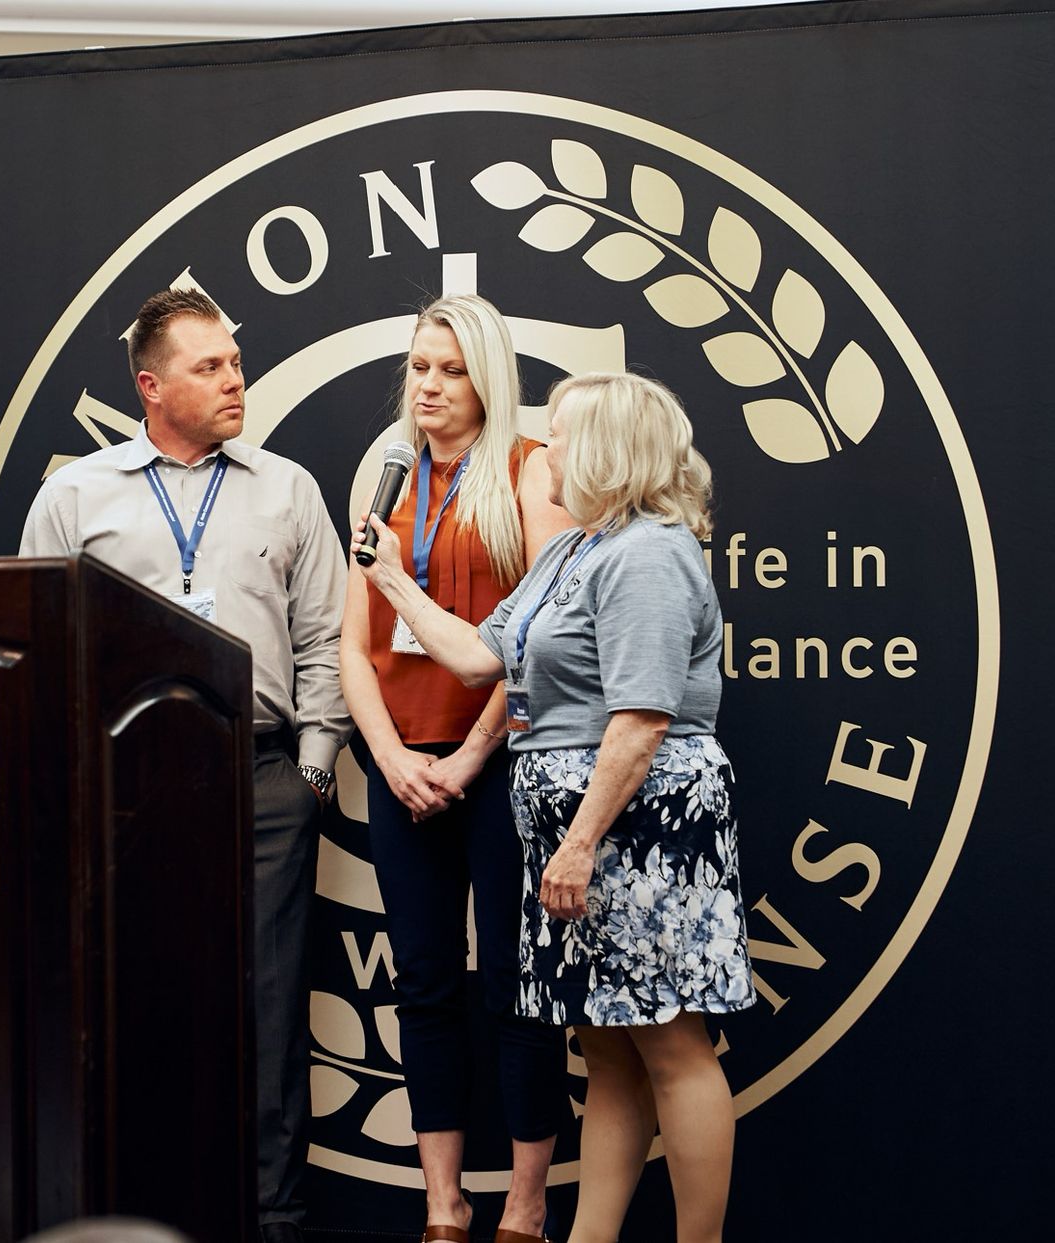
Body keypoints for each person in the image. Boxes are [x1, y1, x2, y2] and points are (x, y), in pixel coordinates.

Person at [352, 372, 756, 1243]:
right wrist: (391, 579)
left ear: (608, 450)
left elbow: (641, 722)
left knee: (671, 1043)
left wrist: (576, 845)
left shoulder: (649, 553)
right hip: (580, 835)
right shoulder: (571, 551)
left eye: (563, 438)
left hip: (639, 829)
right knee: (606, 1047)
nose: (547, 454)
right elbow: (476, 658)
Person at [19, 287, 349, 1243]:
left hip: (264, 779)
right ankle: (141, 1218)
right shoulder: (75, 495)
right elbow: (40, 642)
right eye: (210, 367)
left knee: (271, 1010)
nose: (235, 380)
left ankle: (274, 1220)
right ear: (150, 386)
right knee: (134, 1005)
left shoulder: (287, 488)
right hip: (125, 788)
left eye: (235, 363)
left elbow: (326, 639)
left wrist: (311, 773)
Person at [336, 296, 573, 1243]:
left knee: (517, 985)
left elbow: (544, 639)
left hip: (503, 762)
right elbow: (353, 644)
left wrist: (473, 755)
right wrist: (390, 756)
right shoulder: (385, 474)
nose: (428, 386)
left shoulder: (531, 468)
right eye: (419, 367)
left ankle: (525, 1205)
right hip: (403, 768)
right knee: (425, 981)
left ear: (488, 378)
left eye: (451, 369)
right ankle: (444, 1204)